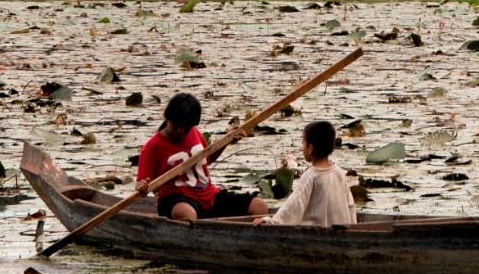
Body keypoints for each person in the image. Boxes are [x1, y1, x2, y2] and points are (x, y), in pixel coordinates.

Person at [137, 93, 268, 224]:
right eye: (176, 126)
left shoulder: (195, 133)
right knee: (186, 214)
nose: (181, 131)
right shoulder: (152, 147)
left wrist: (226, 141)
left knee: (259, 206)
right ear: (167, 119)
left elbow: (208, 158)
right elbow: (141, 186)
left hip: (209, 196)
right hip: (176, 200)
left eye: (186, 127)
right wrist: (142, 186)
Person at [257, 120, 356, 228]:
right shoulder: (339, 173)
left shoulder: (311, 176)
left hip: (316, 235)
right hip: (342, 235)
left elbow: (294, 205)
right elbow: (350, 206)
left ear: (310, 148)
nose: (302, 147)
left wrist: (271, 222)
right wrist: (354, 230)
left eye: (303, 143)